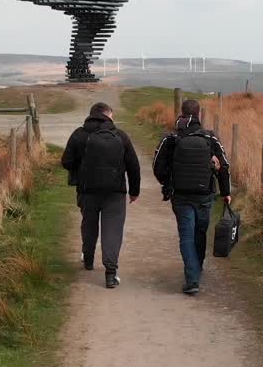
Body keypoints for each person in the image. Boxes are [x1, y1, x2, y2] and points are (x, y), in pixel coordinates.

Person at [153, 99, 231, 295]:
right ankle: (197, 268)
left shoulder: (171, 138)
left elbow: (157, 165)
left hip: (180, 195)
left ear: (182, 113)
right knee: (199, 233)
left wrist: (167, 182)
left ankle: (192, 278)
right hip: (205, 195)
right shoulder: (210, 137)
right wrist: (226, 192)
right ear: (199, 114)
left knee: (186, 236)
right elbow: (224, 166)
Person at [61, 102, 141, 289]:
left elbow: (66, 162)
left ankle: (88, 259)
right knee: (112, 230)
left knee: (88, 225)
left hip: (87, 191)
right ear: (108, 115)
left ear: (91, 115)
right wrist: (134, 191)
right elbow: (133, 165)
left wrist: (82, 167)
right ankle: (110, 274)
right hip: (115, 192)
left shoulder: (79, 134)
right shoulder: (120, 136)